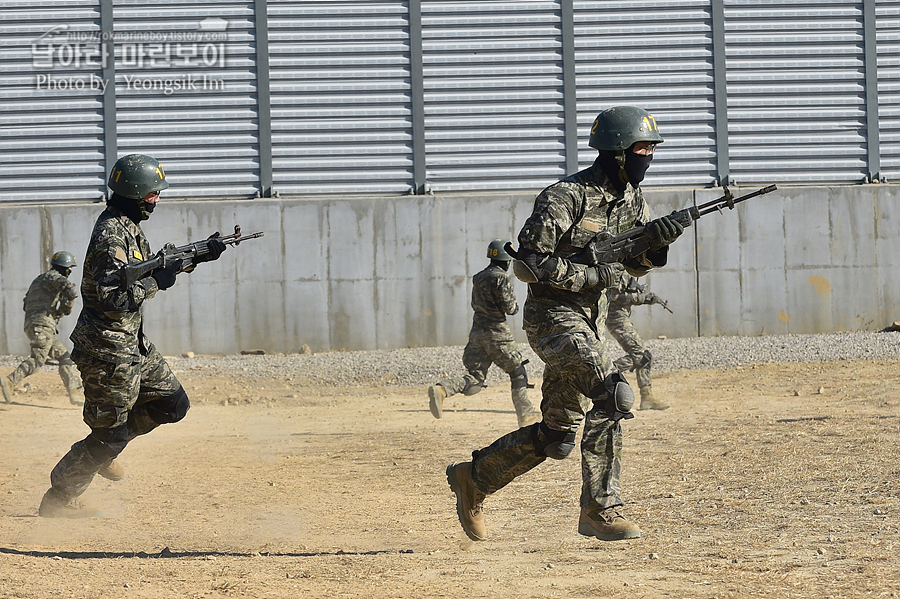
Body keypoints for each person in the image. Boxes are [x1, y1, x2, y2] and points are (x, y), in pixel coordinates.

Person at [445, 106, 684, 542]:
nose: (649, 156)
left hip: (587, 323)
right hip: (551, 319)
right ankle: (599, 509)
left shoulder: (632, 200)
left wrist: (658, 244)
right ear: (616, 152)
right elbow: (530, 264)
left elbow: (634, 266)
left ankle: (473, 478)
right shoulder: (565, 196)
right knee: (616, 395)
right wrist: (588, 276)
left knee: (556, 436)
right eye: (642, 148)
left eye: (652, 148)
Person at [37, 154, 227, 518]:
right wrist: (159, 282)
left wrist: (195, 257)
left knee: (172, 405)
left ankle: (108, 447)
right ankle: (59, 498)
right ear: (136, 192)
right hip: (107, 351)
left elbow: (146, 268)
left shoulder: (128, 224)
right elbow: (112, 299)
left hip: (133, 345)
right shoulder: (112, 234)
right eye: (153, 193)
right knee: (109, 436)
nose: (157, 199)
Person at [428, 240, 541, 428]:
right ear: (506, 261)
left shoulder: (478, 277)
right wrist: (516, 307)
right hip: (497, 333)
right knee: (517, 372)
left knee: (476, 380)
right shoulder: (502, 278)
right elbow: (510, 307)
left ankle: (443, 389)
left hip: (477, 332)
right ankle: (526, 415)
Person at [1, 252, 85, 406]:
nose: (71, 271)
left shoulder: (39, 280)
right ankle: (9, 381)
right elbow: (71, 291)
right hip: (42, 325)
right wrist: (66, 308)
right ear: (65, 268)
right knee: (38, 359)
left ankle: (74, 392)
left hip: (35, 324)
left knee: (64, 356)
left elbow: (25, 303)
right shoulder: (54, 277)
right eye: (70, 268)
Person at [605, 273, 669, 411]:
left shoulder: (625, 273)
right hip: (616, 320)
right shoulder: (615, 271)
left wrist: (648, 298)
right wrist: (640, 298)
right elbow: (614, 296)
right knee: (641, 355)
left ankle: (647, 397)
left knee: (644, 356)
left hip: (621, 319)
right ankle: (606, 373)